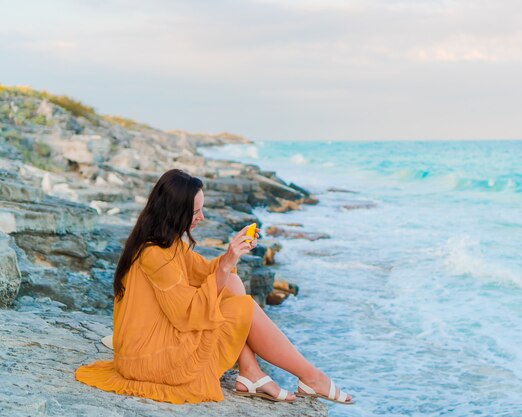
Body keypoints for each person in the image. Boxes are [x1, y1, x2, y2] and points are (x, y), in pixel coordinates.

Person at [75, 169, 353, 405]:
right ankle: (305, 376)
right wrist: (227, 262)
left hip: (152, 348)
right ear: (175, 211)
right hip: (150, 359)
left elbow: (207, 273)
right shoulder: (153, 254)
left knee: (231, 280)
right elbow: (187, 313)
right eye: (195, 211)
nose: (202, 217)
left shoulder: (169, 244)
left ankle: (251, 371)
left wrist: (233, 250)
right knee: (240, 301)